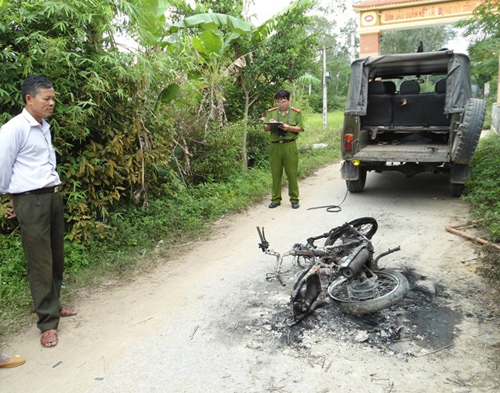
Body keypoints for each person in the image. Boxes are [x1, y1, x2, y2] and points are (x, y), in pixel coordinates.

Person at [0, 76, 76, 348]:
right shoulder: (14, 129)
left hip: (52, 197)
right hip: (30, 201)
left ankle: (54, 306)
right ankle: (47, 323)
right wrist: (11, 199)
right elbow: (3, 167)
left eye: (53, 98)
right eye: (46, 98)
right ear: (29, 99)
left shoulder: (43, 127)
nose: (52, 103)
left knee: (56, 255)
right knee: (40, 261)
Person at [263, 89, 304, 209]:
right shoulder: (271, 112)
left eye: (284, 101)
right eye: (278, 102)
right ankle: (275, 199)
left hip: (289, 145)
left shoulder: (296, 113)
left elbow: (300, 128)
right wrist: (270, 124)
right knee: (276, 173)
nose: (281, 104)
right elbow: (265, 128)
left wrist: (288, 127)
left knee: (291, 173)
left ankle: (294, 199)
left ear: (289, 100)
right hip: (275, 145)